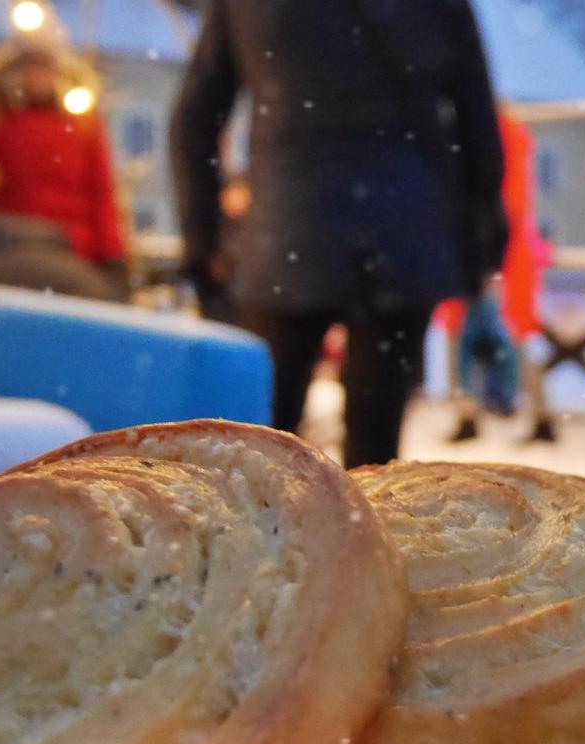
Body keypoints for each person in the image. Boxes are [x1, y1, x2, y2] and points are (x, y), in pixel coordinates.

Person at [171, 0, 506, 468]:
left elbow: (194, 119)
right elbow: (478, 122)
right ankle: (359, 532)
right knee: (375, 446)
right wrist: (482, 238)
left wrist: (203, 241)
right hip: (404, 232)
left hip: (287, 233)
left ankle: (271, 531)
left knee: (265, 445)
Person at [0, 38, 128, 301]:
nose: (38, 77)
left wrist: (113, 254)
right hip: (15, 240)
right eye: (30, 68)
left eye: (45, 68)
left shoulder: (82, 120)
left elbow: (102, 193)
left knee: (93, 294)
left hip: (75, 247)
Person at [440, 109, 557, 444]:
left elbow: (499, 203)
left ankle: (469, 413)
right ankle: (537, 413)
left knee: (468, 337)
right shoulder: (510, 136)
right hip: (504, 254)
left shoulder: (476, 135)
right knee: (516, 336)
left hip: (482, 254)